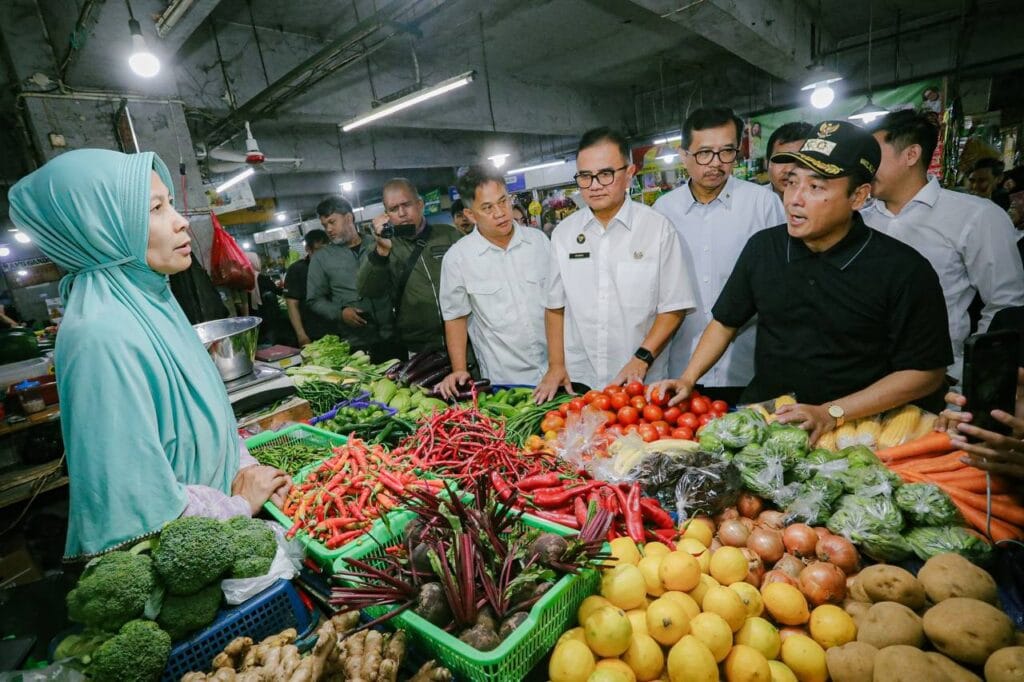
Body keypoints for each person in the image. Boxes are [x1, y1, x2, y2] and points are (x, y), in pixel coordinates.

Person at [8, 149, 290, 559]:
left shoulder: (150, 298)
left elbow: (205, 422)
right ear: (100, 228)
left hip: (226, 531)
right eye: (156, 209)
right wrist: (240, 505)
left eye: (170, 204)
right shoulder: (99, 335)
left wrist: (244, 469)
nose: (180, 222)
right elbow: (138, 505)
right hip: (193, 553)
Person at [650, 120, 953, 444]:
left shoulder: (903, 270)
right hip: (769, 423)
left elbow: (926, 372)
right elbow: (725, 322)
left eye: (816, 187)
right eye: (792, 182)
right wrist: (688, 377)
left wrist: (832, 412)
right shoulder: (764, 248)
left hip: (858, 433)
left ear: (859, 196)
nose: (794, 199)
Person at [533, 127, 696, 401]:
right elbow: (555, 307)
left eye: (605, 174)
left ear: (629, 173)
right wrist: (556, 365)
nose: (595, 185)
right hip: (581, 380)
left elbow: (673, 307)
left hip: (640, 381)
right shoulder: (564, 234)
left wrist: (642, 357)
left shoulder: (656, 229)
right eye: (585, 176)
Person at [863, 110, 1024, 381]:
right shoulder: (859, 220)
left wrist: (970, 370)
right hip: (863, 376)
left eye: (873, 156)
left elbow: (1004, 305)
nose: (865, 166)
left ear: (911, 155)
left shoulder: (976, 216)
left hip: (940, 377)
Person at [653, 107, 785, 402]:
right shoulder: (664, 211)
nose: (716, 164)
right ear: (683, 154)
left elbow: (780, 281)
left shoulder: (762, 204)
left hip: (745, 365)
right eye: (704, 154)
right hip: (680, 365)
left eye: (727, 152)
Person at [437, 166, 551, 397]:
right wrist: (459, 370)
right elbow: (455, 318)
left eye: (503, 201)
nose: (500, 213)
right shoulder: (458, 259)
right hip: (506, 380)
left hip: (557, 368)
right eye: (488, 208)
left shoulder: (539, 242)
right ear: (470, 214)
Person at [357, 179, 463, 354]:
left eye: (406, 204)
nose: (401, 213)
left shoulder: (449, 235)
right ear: (386, 214)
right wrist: (381, 252)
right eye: (393, 209)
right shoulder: (382, 248)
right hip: (419, 348)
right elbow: (367, 291)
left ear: (420, 204)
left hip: (464, 338)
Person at [308, 196, 396, 360]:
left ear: (349, 217)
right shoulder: (321, 259)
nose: (328, 229)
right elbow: (314, 300)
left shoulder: (378, 244)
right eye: (324, 225)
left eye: (332, 222)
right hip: (356, 343)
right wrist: (340, 312)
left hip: (393, 335)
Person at [283, 228, 332, 346]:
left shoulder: (335, 266)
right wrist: (301, 335)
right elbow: (291, 304)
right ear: (307, 249)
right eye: (318, 250)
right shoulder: (297, 270)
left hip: (340, 329)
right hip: (313, 333)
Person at [765, 122, 815, 197]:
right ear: (766, 163)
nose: (789, 169)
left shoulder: (830, 203)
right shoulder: (752, 201)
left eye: (799, 160)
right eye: (781, 160)